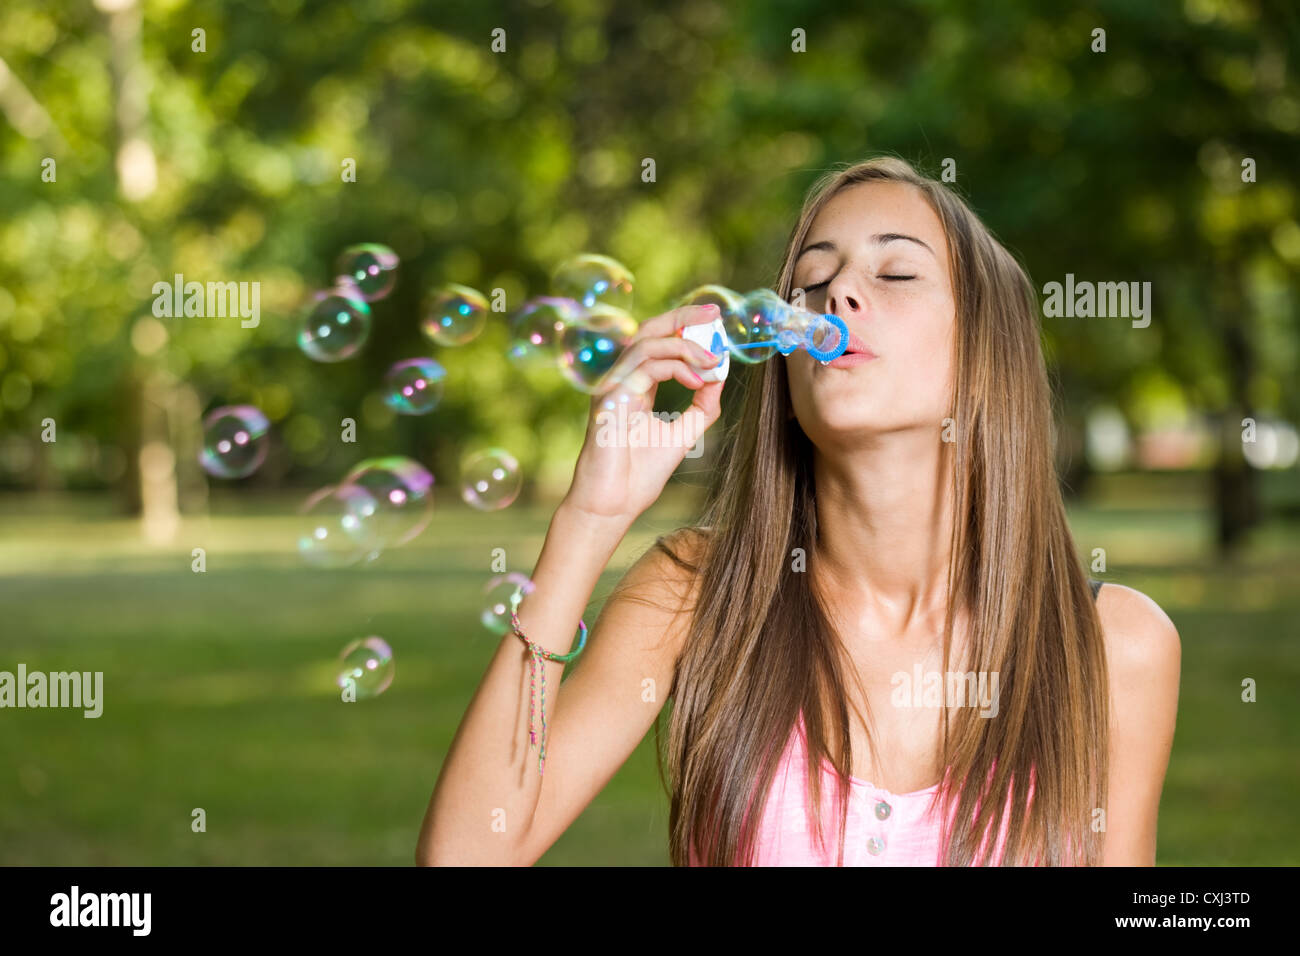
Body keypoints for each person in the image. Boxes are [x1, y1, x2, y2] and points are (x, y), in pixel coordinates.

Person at [416, 156, 1181, 867]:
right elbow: (464, 856)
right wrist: (591, 516)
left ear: (988, 352)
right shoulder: (695, 595)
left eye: (896, 272)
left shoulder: (1112, 648)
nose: (837, 295)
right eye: (813, 279)